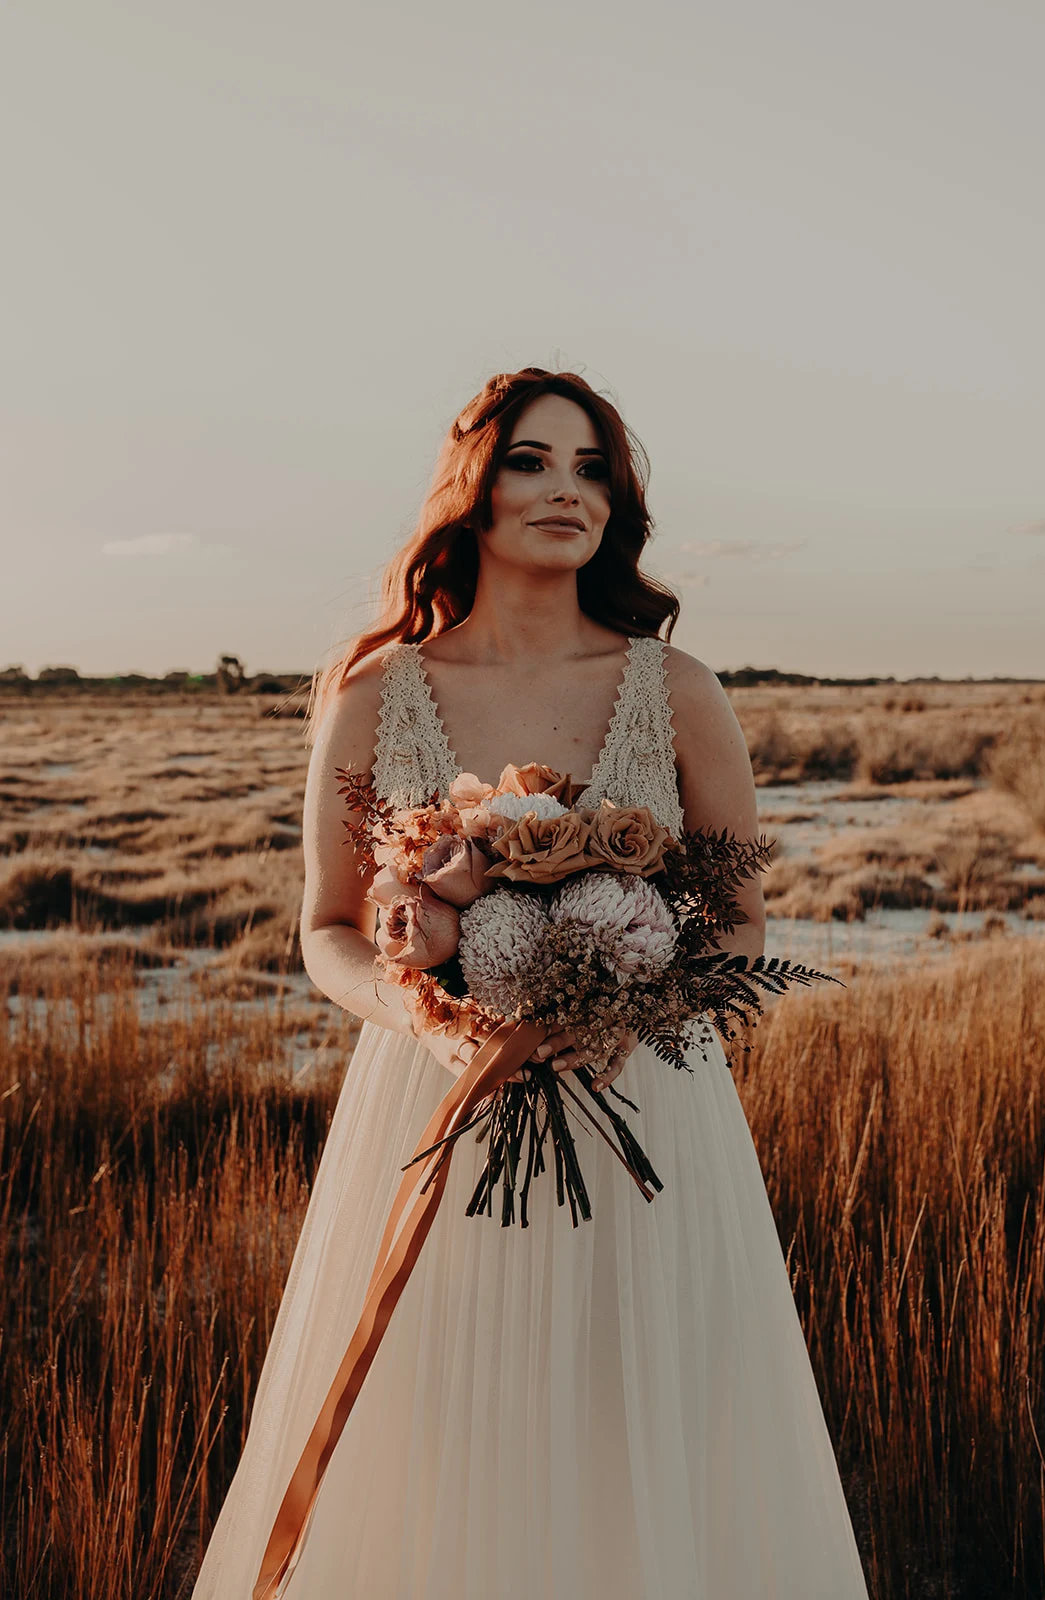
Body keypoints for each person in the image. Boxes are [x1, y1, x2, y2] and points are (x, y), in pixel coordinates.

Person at [192, 368, 870, 1598]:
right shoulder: (372, 693)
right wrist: (432, 1020)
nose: (568, 489)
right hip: (434, 1109)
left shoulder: (676, 691)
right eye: (532, 460)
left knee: (646, 1434)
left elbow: (737, 917)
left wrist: (631, 1010)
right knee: (435, 1436)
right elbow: (327, 928)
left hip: (649, 1116)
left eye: (593, 467)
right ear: (473, 487)